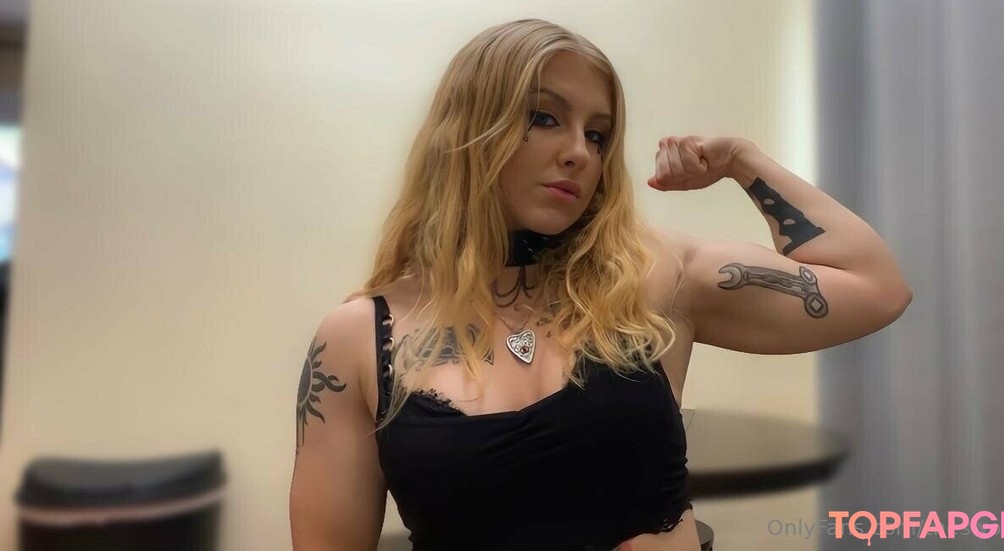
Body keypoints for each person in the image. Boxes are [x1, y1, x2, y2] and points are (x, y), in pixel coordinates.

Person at [289, 18, 912, 551]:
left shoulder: (649, 278)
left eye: (597, 134)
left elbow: (876, 287)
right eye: (543, 117)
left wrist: (742, 161)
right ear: (466, 131)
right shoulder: (359, 340)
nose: (580, 153)